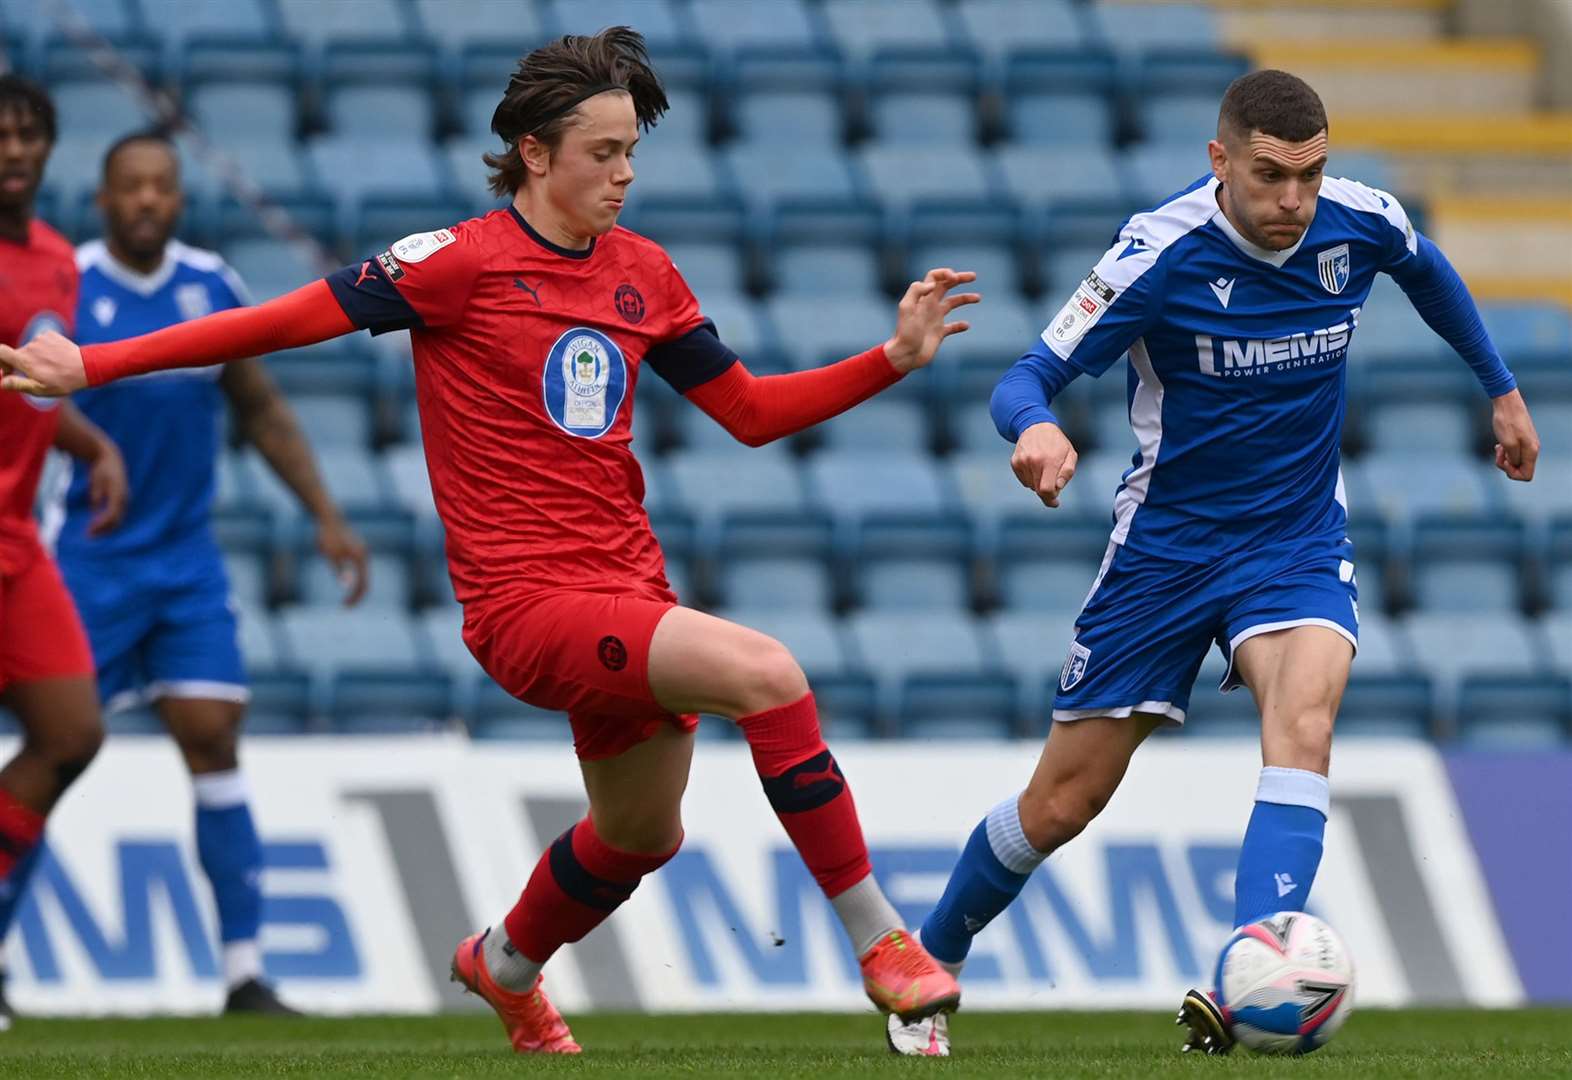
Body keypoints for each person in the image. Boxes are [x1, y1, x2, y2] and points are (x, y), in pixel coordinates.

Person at [0, 28, 980, 1053]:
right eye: (602, 153)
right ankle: (885, 946)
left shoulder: (644, 272)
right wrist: (96, 366)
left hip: (627, 592)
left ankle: (504, 964)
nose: (624, 174)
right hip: (525, 607)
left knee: (641, 835)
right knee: (769, 673)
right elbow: (280, 321)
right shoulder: (453, 264)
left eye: (632, 152)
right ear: (534, 152)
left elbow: (749, 410)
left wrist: (891, 358)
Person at [882, 69, 1541, 1057]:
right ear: (1219, 160)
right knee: (1065, 800)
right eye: (1271, 177)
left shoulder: (1357, 222)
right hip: (1169, 551)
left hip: (1296, 539)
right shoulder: (1158, 252)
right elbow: (1030, 374)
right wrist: (1038, 432)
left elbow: (1428, 267)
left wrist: (1502, 389)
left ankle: (1249, 966)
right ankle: (931, 962)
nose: (1294, 203)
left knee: (1304, 721)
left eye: (1311, 178)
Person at [38, 130, 369, 1014]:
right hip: (88, 560)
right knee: (51, 753)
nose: (148, 200)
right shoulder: (68, 285)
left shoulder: (210, 283)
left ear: (178, 199)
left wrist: (327, 518)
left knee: (215, 737)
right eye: (130, 187)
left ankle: (244, 972)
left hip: (185, 563)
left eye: (162, 187)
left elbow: (259, 410)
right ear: (102, 201)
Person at [0, 74, 129, 1027]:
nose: (12, 149)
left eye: (27, 133)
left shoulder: (56, 262)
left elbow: (33, 383)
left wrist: (89, 442)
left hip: (16, 541)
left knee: (72, 731)